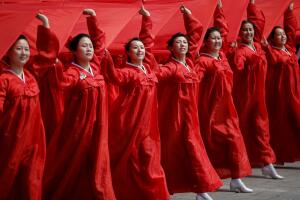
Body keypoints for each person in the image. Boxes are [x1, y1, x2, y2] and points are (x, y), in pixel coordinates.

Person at [41, 10, 116, 200]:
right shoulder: (73, 73)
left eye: (90, 46)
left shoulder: (96, 67)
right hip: (79, 129)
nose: (90, 49)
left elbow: (100, 42)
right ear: (74, 51)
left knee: (98, 164)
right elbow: (60, 81)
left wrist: (92, 18)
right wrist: (47, 29)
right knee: (75, 164)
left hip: (100, 128)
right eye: (84, 46)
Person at [101, 6, 170, 200]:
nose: (140, 50)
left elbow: (148, 44)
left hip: (149, 123)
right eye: (135, 48)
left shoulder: (149, 69)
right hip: (131, 122)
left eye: (141, 48)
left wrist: (146, 20)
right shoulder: (128, 72)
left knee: (149, 158)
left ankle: (149, 193)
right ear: (128, 53)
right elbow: (113, 76)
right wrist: (106, 57)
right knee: (133, 158)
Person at [155, 5, 223, 200]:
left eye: (184, 42)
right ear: (170, 48)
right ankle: (190, 189)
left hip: (190, 116)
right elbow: (155, 75)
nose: (183, 45)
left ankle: (195, 189)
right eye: (178, 43)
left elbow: (196, 33)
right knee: (181, 151)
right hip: (175, 118)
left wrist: (188, 15)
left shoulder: (191, 62)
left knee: (190, 150)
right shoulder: (170, 67)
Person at [195, 0, 253, 193]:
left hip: (228, 110)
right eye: (214, 38)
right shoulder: (203, 61)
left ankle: (235, 178)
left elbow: (224, 30)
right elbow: (195, 80)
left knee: (235, 141)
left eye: (219, 38)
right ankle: (208, 179)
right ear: (206, 42)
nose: (218, 41)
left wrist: (219, 9)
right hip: (212, 112)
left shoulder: (222, 56)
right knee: (216, 143)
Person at [228, 0, 282, 179]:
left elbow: (258, 22)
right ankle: (242, 161)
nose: (249, 32)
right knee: (245, 128)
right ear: (240, 33)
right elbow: (237, 67)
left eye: (250, 30)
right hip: (245, 96)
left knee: (261, 128)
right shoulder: (241, 50)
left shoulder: (258, 46)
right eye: (245, 30)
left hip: (260, 95)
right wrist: (235, 55)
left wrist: (251, 5)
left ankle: (266, 162)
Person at [0, 14, 47, 200]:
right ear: (8, 52)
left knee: (32, 182)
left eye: (26, 49)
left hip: (35, 140)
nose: (24, 53)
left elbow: (46, 57)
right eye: (19, 49)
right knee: (8, 179)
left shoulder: (31, 75)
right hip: (11, 139)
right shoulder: (4, 79)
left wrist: (44, 26)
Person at [265, 2, 300, 164]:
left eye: (283, 34)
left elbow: (292, 30)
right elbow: (271, 59)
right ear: (272, 38)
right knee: (283, 124)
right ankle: (277, 154)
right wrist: (266, 47)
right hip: (282, 95)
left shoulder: (290, 49)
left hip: (296, 92)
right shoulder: (272, 52)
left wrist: (289, 11)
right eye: (279, 34)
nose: (283, 36)